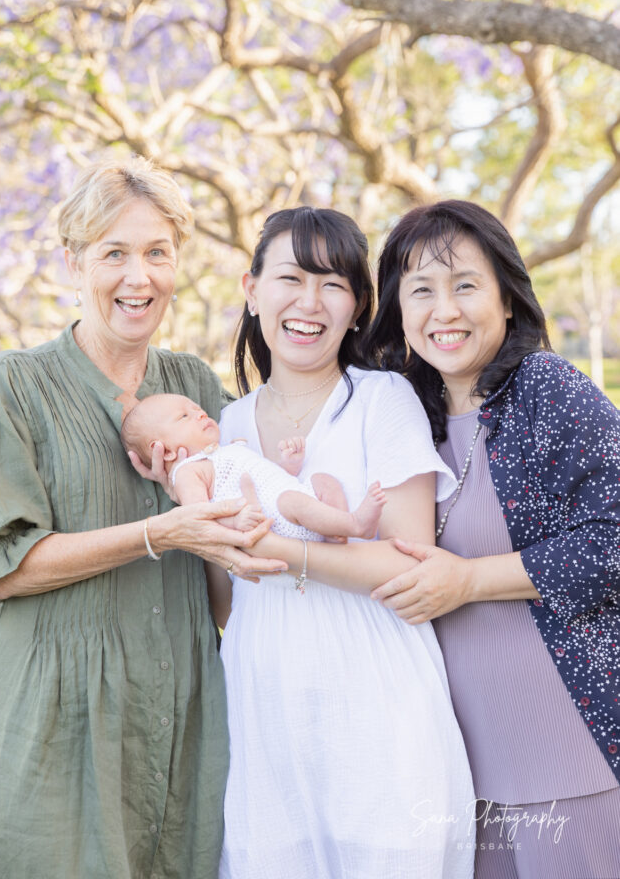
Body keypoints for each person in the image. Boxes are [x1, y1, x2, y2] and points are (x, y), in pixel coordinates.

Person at [0, 157, 284, 879]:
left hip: (178, 714)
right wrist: (160, 532)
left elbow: (235, 549)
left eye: (157, 252)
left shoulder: (195, 387)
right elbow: (6, 568)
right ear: (73, 262)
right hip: (49, 717)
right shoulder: (15, 386)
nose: (139, 277)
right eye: (113, 253)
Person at [204, 206, 475, 879]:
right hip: (264, 696)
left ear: (358, 307)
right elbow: (226, 593)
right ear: (251, 289)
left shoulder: (381, 400)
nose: (308, 302)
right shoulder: (227, 424)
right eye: (289, 278)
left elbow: (404, 560)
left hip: (373, 687)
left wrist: (280, 549)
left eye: (332, 284)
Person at [366, 199, 620, 879]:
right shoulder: (394, 416)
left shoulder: (545, 390)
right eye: (420, 289)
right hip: (455, 775)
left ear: (506, 299)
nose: (442, 310)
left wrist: (469, 580)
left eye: (465, 285)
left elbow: (613, 537)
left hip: (569, 750)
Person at [121, 392, 387, 556]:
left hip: (285, 497)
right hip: (272, 518)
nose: (199, 413)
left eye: (196, 408)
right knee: (294, 501)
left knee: (322, 480)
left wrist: (289, 466)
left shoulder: (224, 451)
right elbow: (200, 517)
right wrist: (237, 521)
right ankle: (356, 524)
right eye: (183, 417)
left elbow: (265, 478)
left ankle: (334, 531)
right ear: (164, 452)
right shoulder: (188, 472)